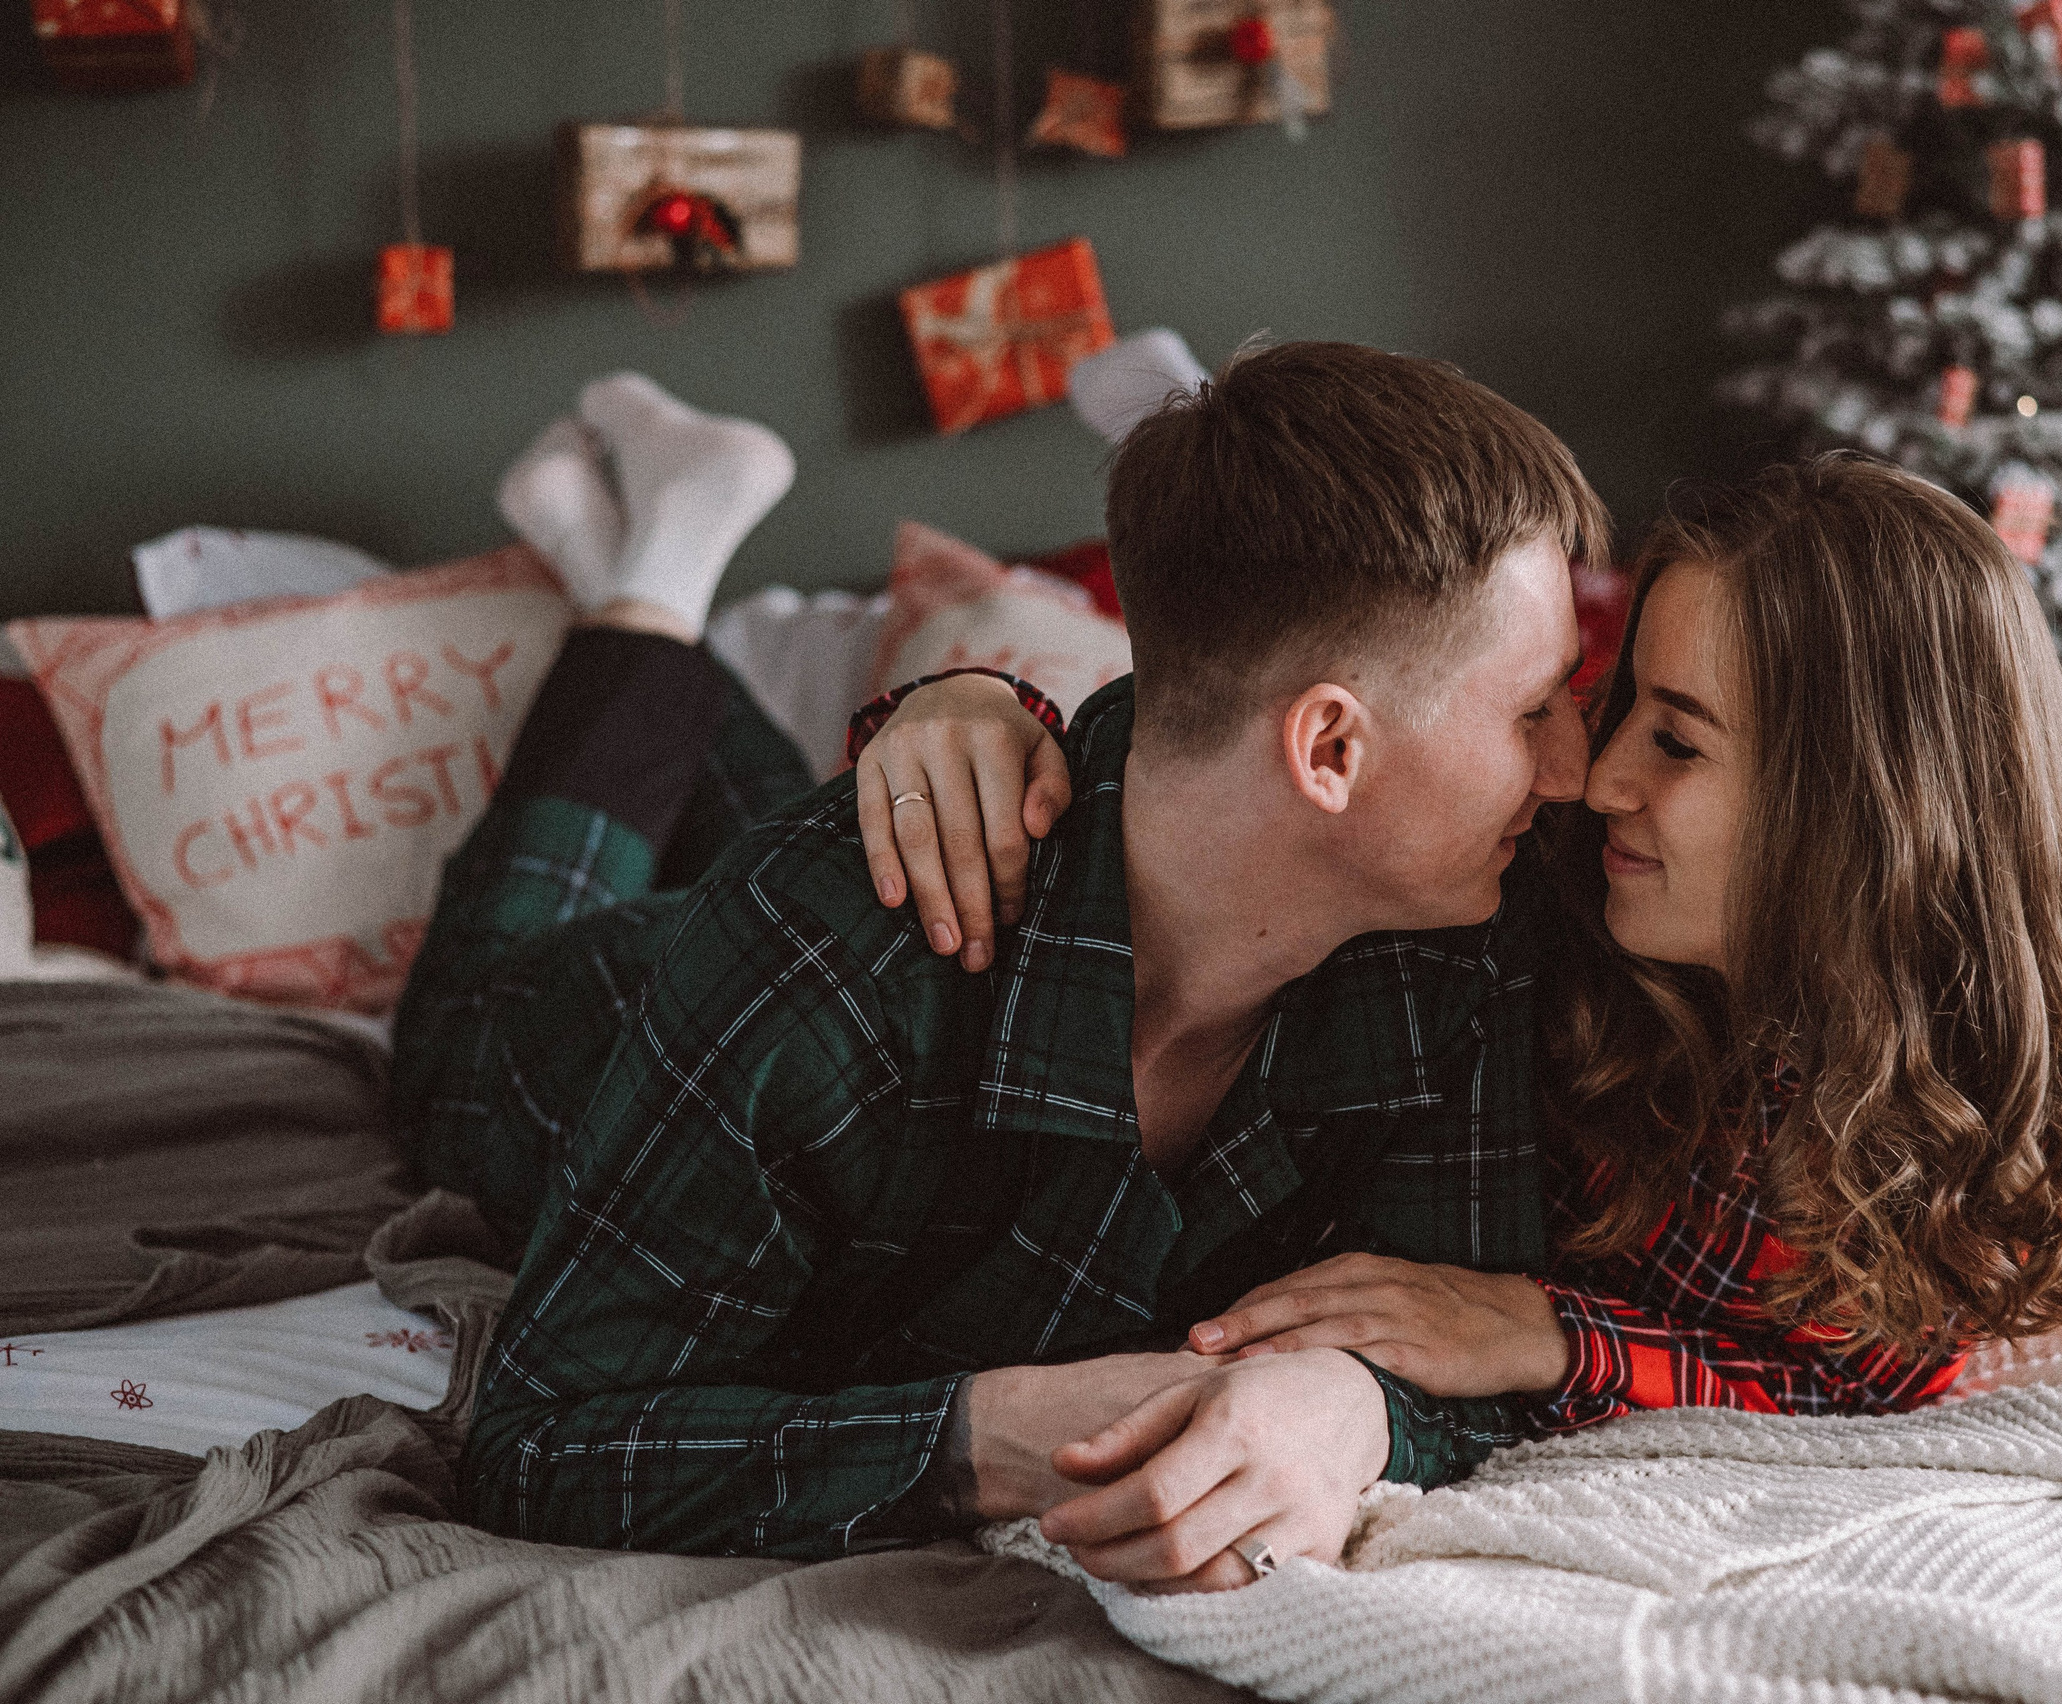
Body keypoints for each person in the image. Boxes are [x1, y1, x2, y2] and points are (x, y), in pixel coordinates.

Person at [391, 345, 1607, 1588]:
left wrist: (1351, 1409)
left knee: (816, 861)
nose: (1577, 773)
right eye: (1532, 714)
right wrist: (982, 1440)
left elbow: (1455, 1342)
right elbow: (538, 1449)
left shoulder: (1463, 936)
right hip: (592, 1018)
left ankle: (649, 593)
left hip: (824, 944)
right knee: (459, 1023)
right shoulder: (814, 954)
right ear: (1330, 750)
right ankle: (643, 593)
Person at [851, 452, 2062, 1431]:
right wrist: (966, 703)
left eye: (1678, 737)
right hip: (748, 956)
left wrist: (1553, 1336)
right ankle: (648, 629)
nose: (1596, 775)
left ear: (1868, 806)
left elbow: (1865, 1373)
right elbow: (1222, 770)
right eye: (1613, 698)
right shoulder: (1541, 898)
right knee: (648, 883)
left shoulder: (2010, 1073)